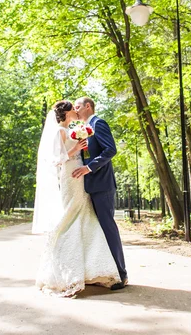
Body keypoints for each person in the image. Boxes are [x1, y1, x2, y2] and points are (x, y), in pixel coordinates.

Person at [34, 100, 120, 297]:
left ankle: (92, 269)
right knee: (72, 214)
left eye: (77, 107)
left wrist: (83, 148)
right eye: (72, 108)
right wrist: (74, 150)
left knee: (86, 215)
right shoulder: (58, 131)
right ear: (65, 113)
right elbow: (55, 160)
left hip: (82, 175)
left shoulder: (75, 129)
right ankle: (66, 268)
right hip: (71, 175)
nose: (75, 110)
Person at [72, 97, 128, 290]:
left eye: (77, 106)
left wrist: (89, 168)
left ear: (88, 106)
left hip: (102, 184)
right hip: (88, 186)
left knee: (108, 227)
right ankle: (104, 272)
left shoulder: (99, 123)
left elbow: (110, 150)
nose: (75, 110)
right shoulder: (83, 128)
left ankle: (121, 274)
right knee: (95, 229)